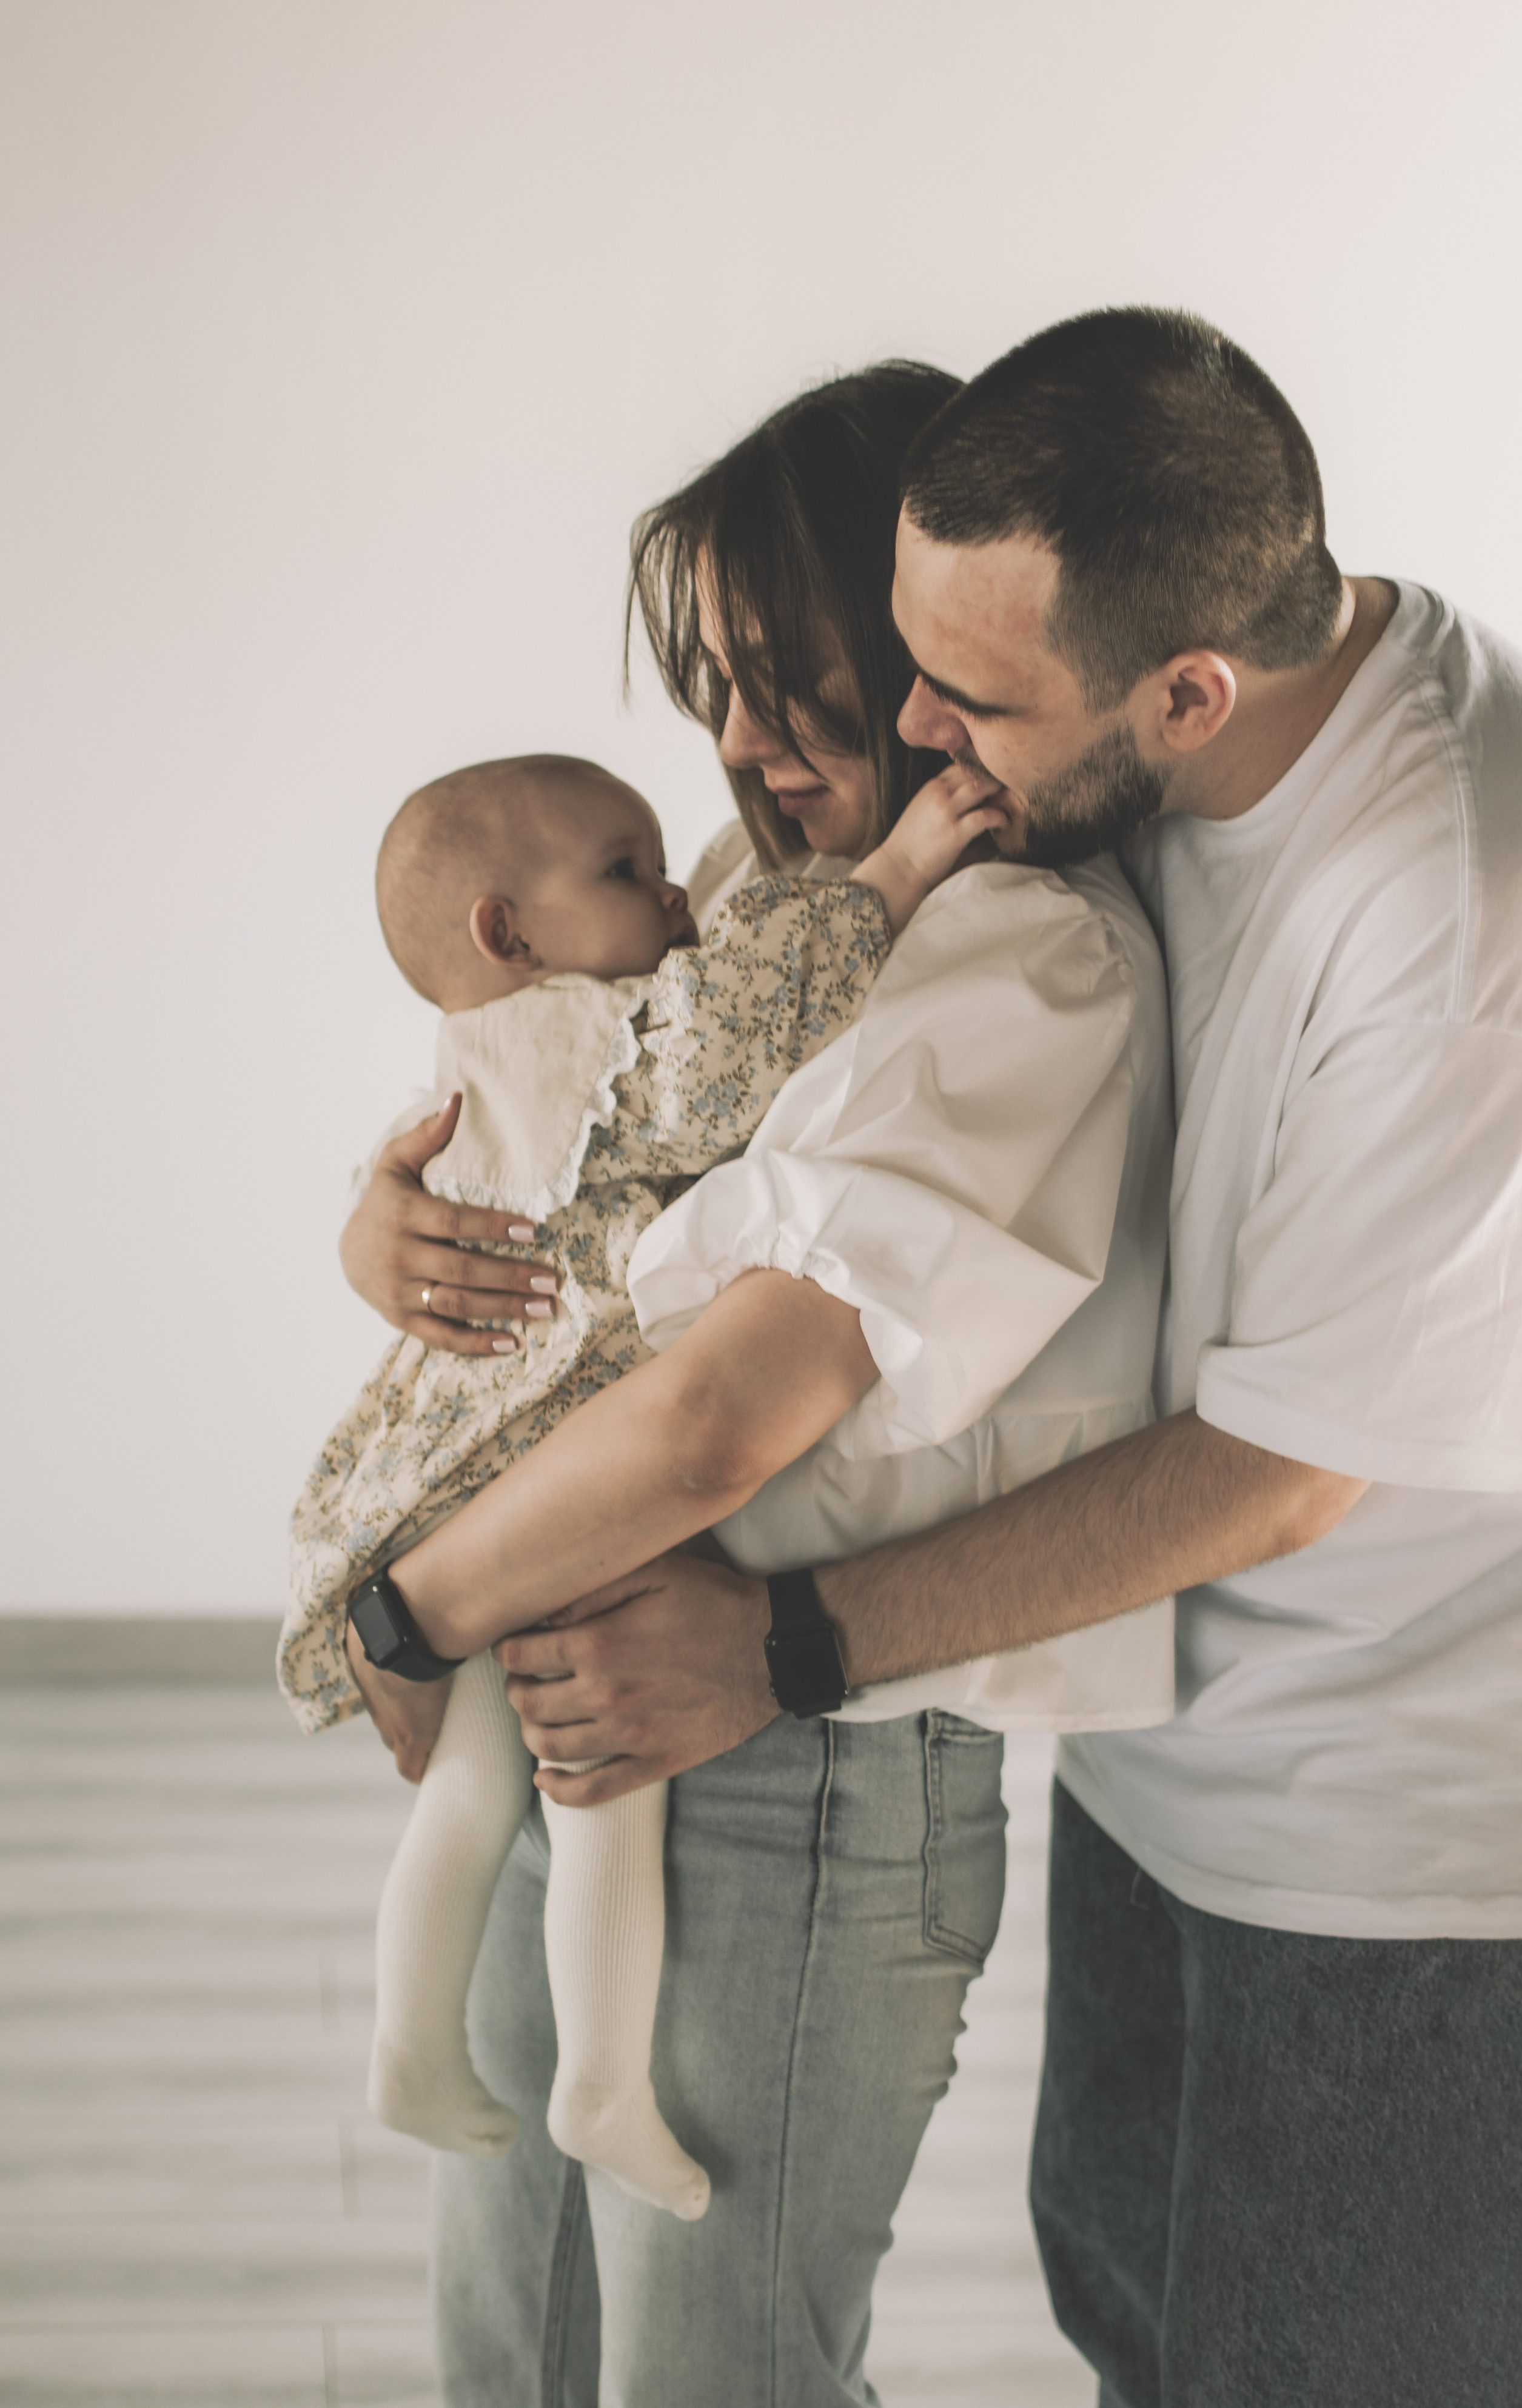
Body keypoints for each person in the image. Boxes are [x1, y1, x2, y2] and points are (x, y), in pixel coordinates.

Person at [479, 310, 1522, 2406]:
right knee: (1138, 2332)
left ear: (1184, 690)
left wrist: (783, 1646)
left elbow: (1276, 1473)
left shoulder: (1450, 918)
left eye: (968, 694)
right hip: (1175, 1770)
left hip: (1406, 1855)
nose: (908, 720)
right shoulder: (1137, 753)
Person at [338, 362, 1176, 2405]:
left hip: (794, 1777)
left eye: (787, 672)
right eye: (712, 678)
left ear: (924, 659)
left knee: (711, 2380)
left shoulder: (1021, 962)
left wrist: (402, 1599)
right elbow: (553, 1150)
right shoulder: (741, 907)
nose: (738, 738)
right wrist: (379, 1229)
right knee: (503, 2349)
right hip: (580, 1693)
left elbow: (729, 1408)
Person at [281, 744, 1004, 2214]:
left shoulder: (505, 1038)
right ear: (510, 932)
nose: (674, 893)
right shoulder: (585, 1033)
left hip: (481, 1474)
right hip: (541, 1466)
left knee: (482, 1781)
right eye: (623, 873)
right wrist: (898, 873)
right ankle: (597, 2083)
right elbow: (721, 1059)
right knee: (595, 1775)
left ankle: (419, 2048)